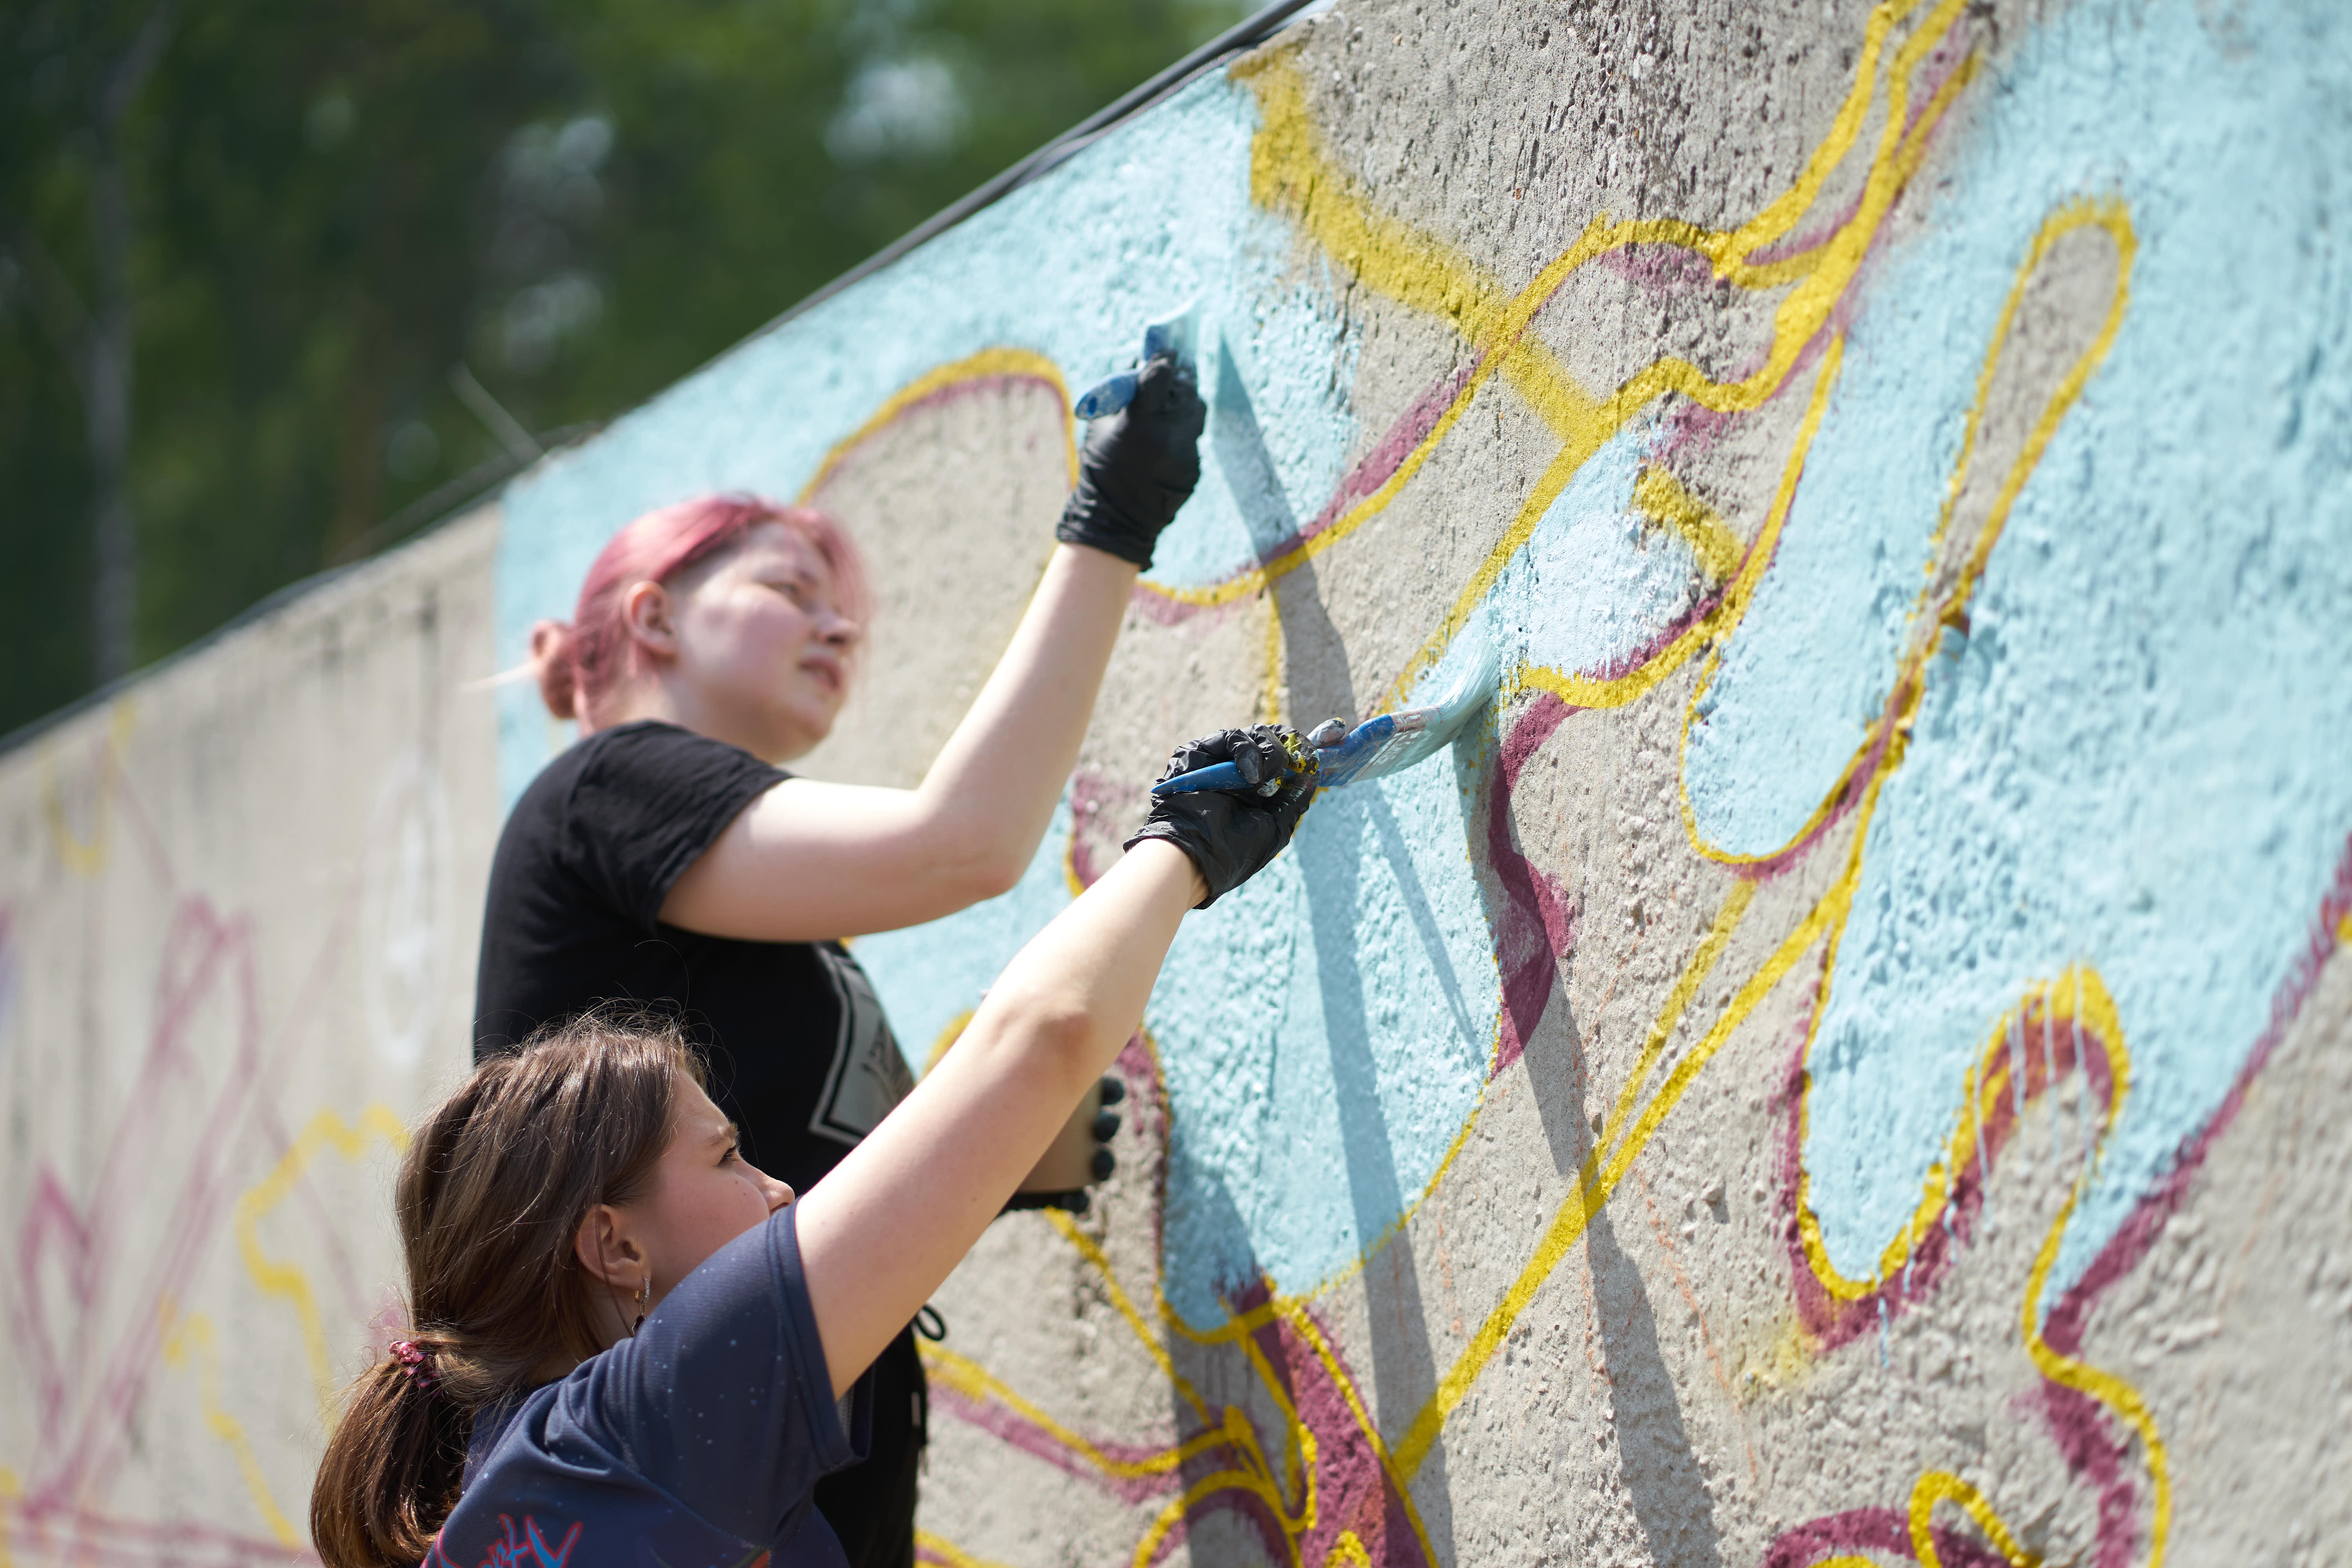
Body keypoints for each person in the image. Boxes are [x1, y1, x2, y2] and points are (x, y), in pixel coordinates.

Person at [468, 356, 1205, 1567]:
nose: (841, 622)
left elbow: (773, 1182)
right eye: (790, 586)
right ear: (654, 619)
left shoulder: (738, 899)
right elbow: (961, 846)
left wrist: (992, 1163)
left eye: (842, 605)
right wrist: (1113, 522)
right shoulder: (613, 785)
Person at [314, 728, 1315, 1568]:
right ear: (615, 1246)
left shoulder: (541, 1474)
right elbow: (1043, 1038)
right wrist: (1185, 842)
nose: (785, 1189)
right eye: (726, 1159)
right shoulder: (641, 1425)